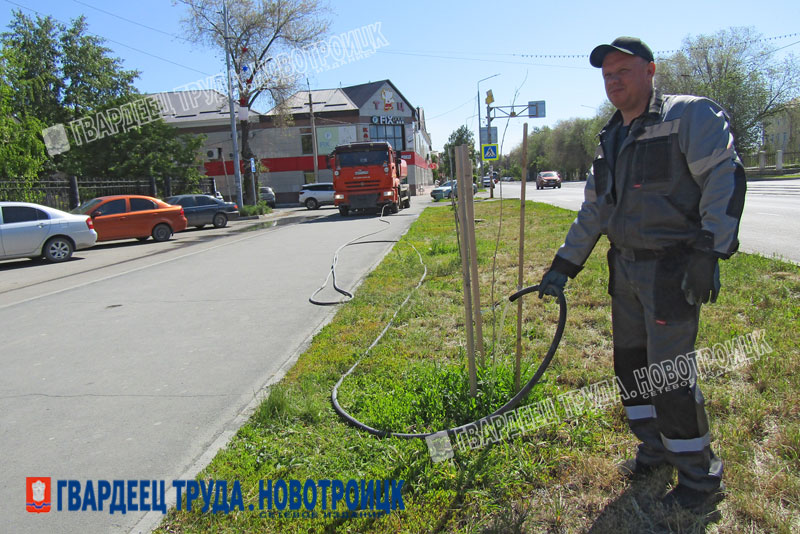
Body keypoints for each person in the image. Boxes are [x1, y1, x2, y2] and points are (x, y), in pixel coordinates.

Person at [538, 36, 746, 510]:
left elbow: (724, 178)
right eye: (607, 75)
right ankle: (655, 450)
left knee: (670, 376)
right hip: (625, 271)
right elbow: (595, 210)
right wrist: (563, 266)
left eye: (623, 71)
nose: (614, 81)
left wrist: (709, 252)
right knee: (632, 369)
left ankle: (699, 481)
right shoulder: (610, 136)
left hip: (673, 270)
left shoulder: (689, 116)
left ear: (651, 71)